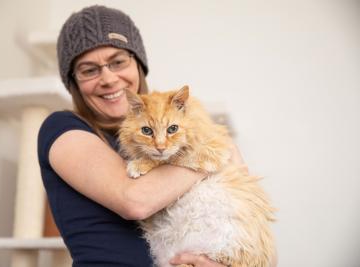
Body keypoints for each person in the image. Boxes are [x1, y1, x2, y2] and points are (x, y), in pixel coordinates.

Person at [38, 5, 256, 267]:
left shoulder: (170, 128)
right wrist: (214, 152)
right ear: (73, 82)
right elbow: (135, 202)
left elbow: (259, 242)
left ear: (138, 64)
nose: (108, 79)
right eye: (89, 70)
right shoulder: (62, 127)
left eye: (118, 62)